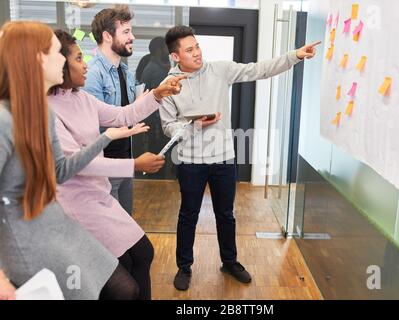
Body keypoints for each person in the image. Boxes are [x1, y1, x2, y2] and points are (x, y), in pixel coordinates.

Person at [160, 25, 320, 291]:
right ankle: (184, 266)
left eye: (197, 46)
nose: (197, 53)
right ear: (176, 56)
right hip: (190, 162)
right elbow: (168, 126)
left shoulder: (220, 69)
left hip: (224, 159)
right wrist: (194, 125)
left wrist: (295, 55)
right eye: (189, 50)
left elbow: (259, 69)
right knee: (188, 215)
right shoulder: (169, 86)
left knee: (226, 214)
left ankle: (230, 261)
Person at [0, 21, 151, 300]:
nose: (63, 59)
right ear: (35, 58)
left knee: (126, 287)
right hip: (26, 241)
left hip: (56, 226)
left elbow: (59, 171)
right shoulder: (4, 119)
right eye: (58, 53)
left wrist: (107, 138)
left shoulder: (41, 113)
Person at [48, 30, 184, 300]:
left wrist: (157, 94)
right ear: (59, 64)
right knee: (125, 283)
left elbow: (123, 114)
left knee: (143, 254)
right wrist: (133, 164)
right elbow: (77, 165)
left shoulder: (82, 98)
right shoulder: (48, 110)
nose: (85, 63)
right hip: (77, 205)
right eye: (78, 58)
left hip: (98, 195)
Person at [84, 5, 144, 215]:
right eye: (126, 32)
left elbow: (128, 115)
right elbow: (94, 126)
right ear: (108, 36)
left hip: (125, 161)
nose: (132, 37)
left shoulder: (126, 72)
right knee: (111, 237)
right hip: (104, 168)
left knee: (126, 230)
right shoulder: (93, 74)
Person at [134, 36, 175, 180]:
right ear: (159, 49)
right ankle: (157, 181)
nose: (168, 51)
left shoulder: (155, 67)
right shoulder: (155, 70)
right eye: (166, 48)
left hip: (154, 119)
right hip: (156, 120)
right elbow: (165, 96)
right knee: (158, 154)